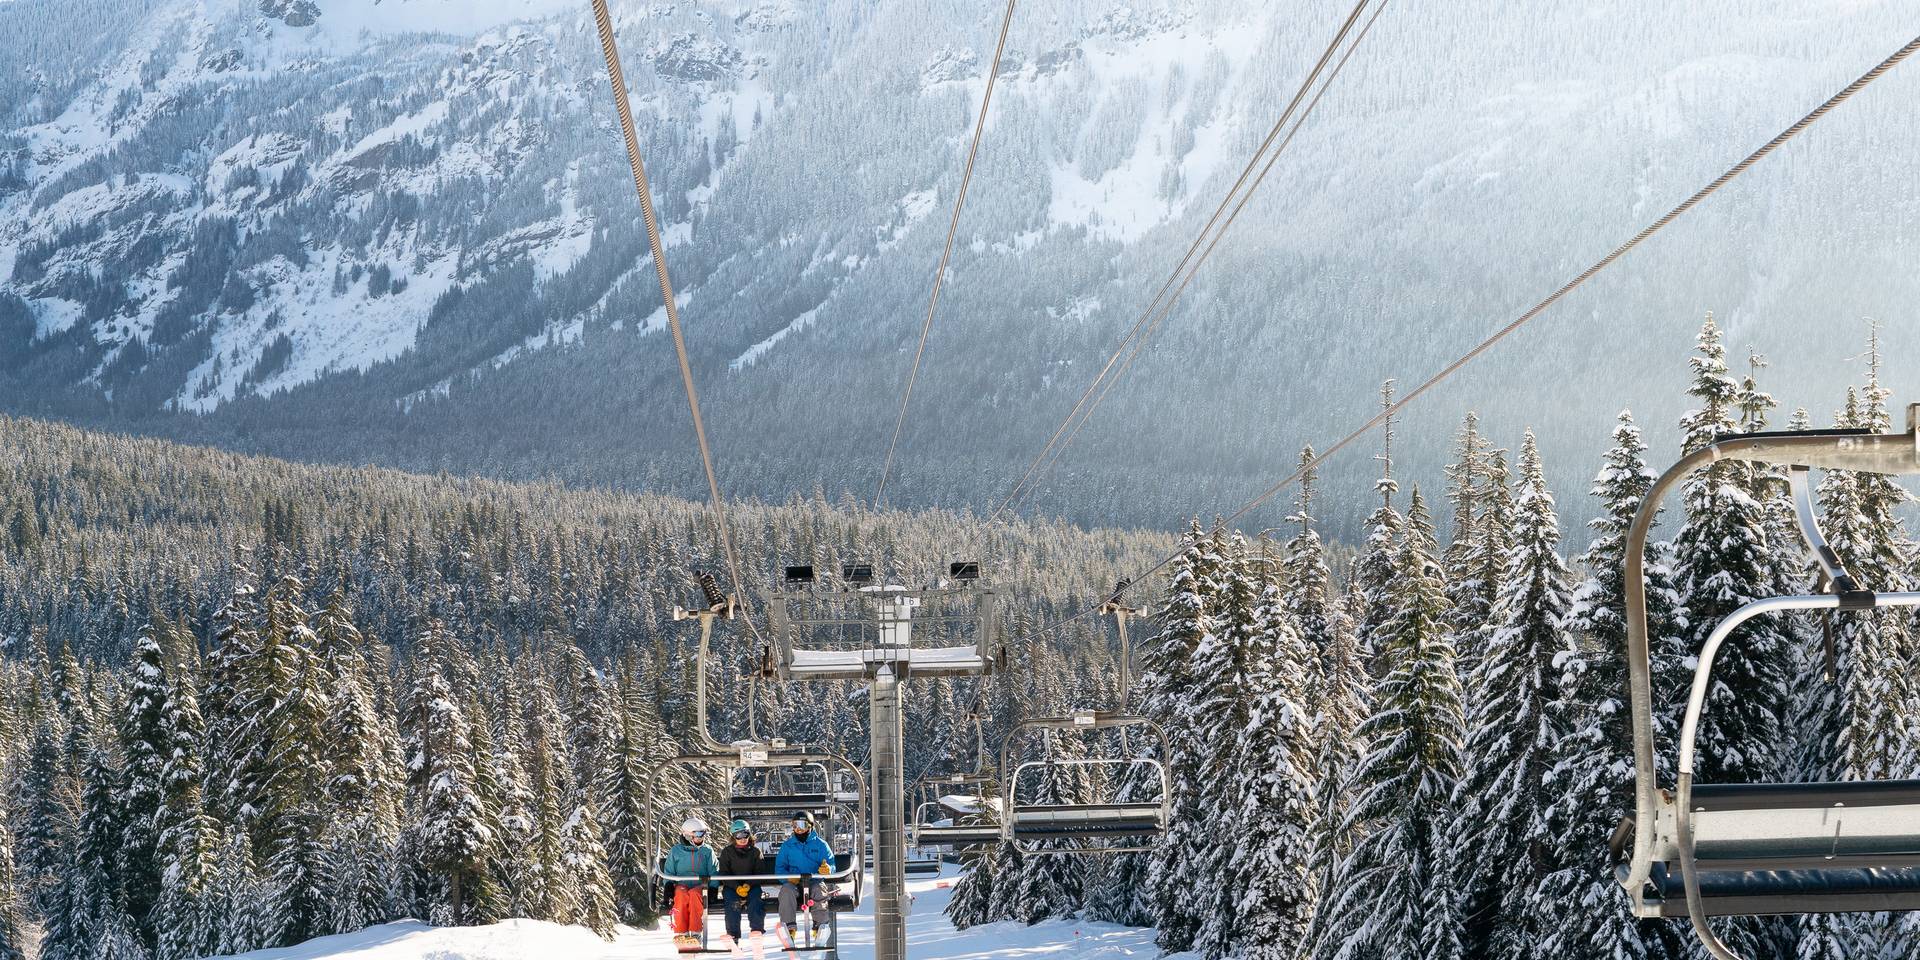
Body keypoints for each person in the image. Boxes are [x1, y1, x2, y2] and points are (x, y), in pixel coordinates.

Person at [774, 810, 836, 939]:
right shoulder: (788, 846)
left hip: (814, 882)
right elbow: (779, 869)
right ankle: (789, 929)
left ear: (810, 826)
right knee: (786, 891)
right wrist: (787, 878)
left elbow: (832, 865)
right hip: (794, 884)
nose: (798, 829)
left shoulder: (820, 845)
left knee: (819, 890)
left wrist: (828, 869)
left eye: (802, 825)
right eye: (795, 825)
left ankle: (820, 927)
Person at [664, 817, 718, 951]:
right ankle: (681, 932)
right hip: (682, 884)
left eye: (703, 834)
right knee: (680, 895)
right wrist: (668, 886)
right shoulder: (676, 851)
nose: (702, 838)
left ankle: (695, 933)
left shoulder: (707, 851)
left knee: (694, 895)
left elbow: (714, 871)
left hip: (701, 885)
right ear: (688, 836)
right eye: (698, 834)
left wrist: (713, 888)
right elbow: (669, 871)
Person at [717, 819, 768, 951]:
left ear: (749, 834)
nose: (742, 839)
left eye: (745, 834)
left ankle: (757, 932)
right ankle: (733, 935)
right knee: (732, 903)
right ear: (733, 837)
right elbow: (724, 873)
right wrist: (736, 887)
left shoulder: (755, 852)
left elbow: (760, 872)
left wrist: (748, 885)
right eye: (738, 836)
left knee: (756, 900)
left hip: (752, 885)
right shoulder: (727, 852)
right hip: (732, 887)